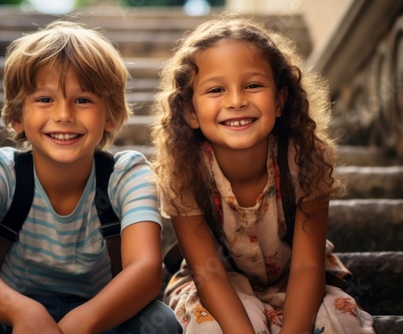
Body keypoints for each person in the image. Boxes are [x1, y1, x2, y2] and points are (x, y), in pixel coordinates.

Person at [0, 19, 181, 334]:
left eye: (83, 100)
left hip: (102, 316)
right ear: (16, 117)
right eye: (45, 99)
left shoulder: (127, 175)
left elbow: (145, 273)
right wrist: (23, 312)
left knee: (157, 323)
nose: (64, 114)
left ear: (111, 115)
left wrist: (84, 321)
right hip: (9, 314)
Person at [151, 13, 375, 334]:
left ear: (280, 100)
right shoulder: (183, 173)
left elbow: (307, 265)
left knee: (341, 321)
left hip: (299, 278)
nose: (237, 100)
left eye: (253, 85)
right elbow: (208, 273)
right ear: (190, 112)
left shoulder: (307, 158)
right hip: (218, 284)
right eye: (216, 90)